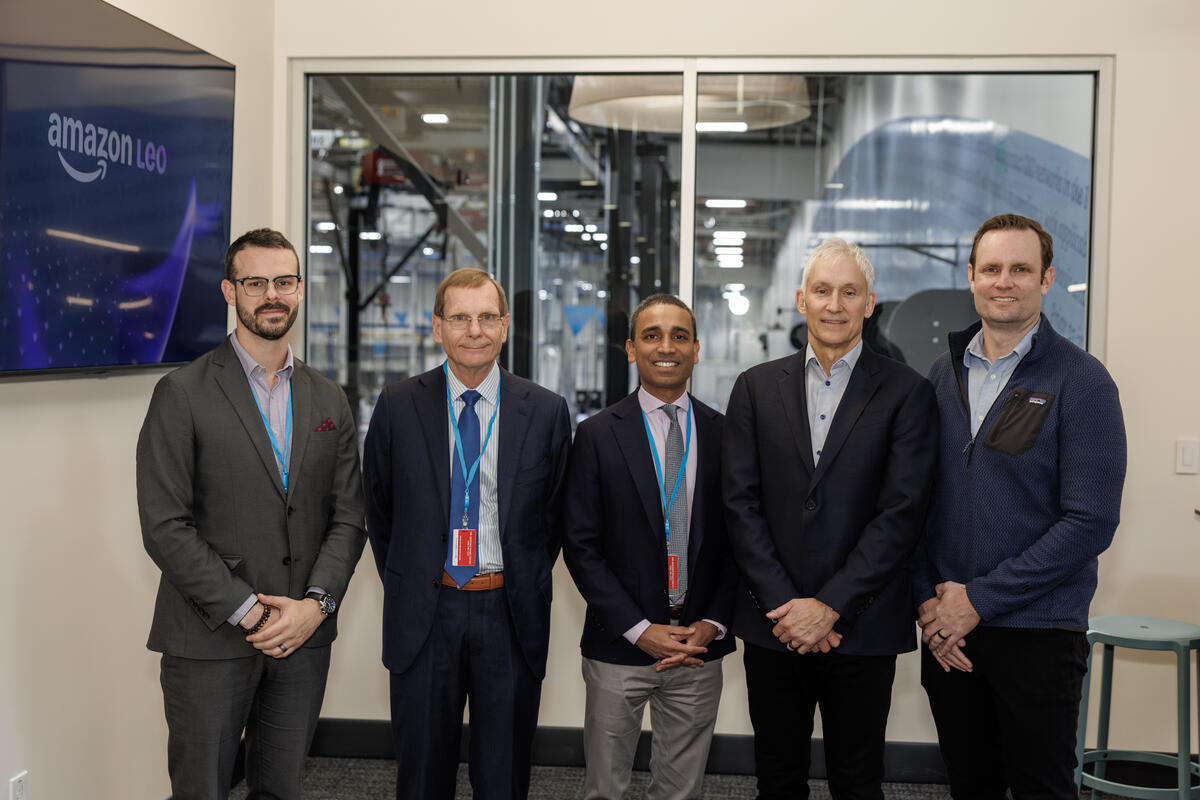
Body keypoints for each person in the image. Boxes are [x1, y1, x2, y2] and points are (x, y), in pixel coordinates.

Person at [137, 228, 366, 799]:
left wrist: (316, 606)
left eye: (283, 281)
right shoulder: (181, 392)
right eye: (255, 282)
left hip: (302, 639)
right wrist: (250, 613)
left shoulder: (328, 398)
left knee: (281, 789)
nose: (271, 294)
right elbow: (166, 527)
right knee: (202, 790)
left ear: (300, 289)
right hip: (208, 637)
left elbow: (348, 518)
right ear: (229, 291)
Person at [914, 213, 1127, 799]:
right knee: (969, 785)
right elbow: (914, 503)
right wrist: (932, 607)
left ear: (1047, 278)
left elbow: (1091, 521)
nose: (1004, 281)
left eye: (1020, 269)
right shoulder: (941, 374)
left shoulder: (1082, 381)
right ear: (972, 277)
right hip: (948, 632)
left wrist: (978, 600)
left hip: (1037, 631)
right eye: (991, 268)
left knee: (1041, 790)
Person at [722, 238, 938, 800]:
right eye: (822, 291)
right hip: (775, 625)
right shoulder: (753, 388)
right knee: (778, 775)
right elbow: (739, 505)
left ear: (871, 303)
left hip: (862, 625)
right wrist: (789, 608)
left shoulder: (908, 392)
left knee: (858, 779)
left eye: (849, 292)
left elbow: (902, 513)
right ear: (801, 299)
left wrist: (831, 605)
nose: (835, 304)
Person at [362, 267, 571, 800]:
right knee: (422, 778)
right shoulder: (397, 406)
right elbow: (380, 512)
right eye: (460, 318)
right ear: (437, 327)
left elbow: (552, 520)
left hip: (508, 611)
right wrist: (414, 578)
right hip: (426, 615)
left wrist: (516, 577)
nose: (473, 330)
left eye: (486, 318)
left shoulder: (546, 411)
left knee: (502, 780)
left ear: (504, 327)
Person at [562, 294, 737, 800]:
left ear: (697, 350)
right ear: (631, 348)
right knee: (605, 789)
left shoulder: (726, 434)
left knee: (681, 791)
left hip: (698, 647)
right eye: (652, 335)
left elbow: (739, 543)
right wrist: (639, 630)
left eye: (679, 336)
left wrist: (713, 623)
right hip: (619, 644)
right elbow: (580, 544)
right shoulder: (595, 435)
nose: (667, 346)